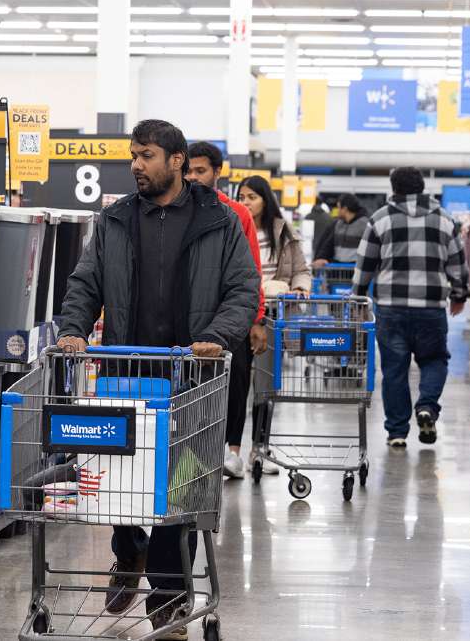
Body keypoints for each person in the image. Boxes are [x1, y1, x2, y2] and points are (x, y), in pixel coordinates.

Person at [58, 120, 259, 639]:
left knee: (180, 489)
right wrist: (74, 329)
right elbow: (86, 283)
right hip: (126, 371)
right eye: (133, 156)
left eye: (145, 155)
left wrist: (217, 336)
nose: (135, 165)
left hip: (192, 377)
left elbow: (243, 290)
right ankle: (129, 552)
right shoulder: (116, 219)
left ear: (176, 160)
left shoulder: (220, 221)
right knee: (118, 480)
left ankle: (168, 598)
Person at [354, 167, 467, 449]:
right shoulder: (445, 219)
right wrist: (459, 294)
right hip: (430, 308)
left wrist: (358, 297)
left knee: (394, 369)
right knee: (434, 360)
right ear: (422, 187)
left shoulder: (380, 219)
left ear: (394, 189)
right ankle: (426, 406)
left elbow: (365, 263)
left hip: (391, 308)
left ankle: (397, 432)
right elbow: (457, 263)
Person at [185, 142, 266, 479]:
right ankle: (194, 453)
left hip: (232, 317)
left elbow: (252, 270)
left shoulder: (236, 214)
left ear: (217, 172)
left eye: (200, 170)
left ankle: (233, 452)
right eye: (188, 170)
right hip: (191, 318)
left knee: (236, 382)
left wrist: (256, 319)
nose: (193, 177)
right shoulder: (175, 210)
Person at [236, 175, 313, 473]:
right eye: (242, 197)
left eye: (252, 197)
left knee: (265, 386)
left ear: (266, 200)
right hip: (240, 313)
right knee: (238, 384)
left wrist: (300, 287)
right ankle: (232, 452)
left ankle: (260, 449)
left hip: (274, 315)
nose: (246, 203)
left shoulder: (283, 232)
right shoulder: (235, 226)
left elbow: (301, 269)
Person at [313, 193, 370, 267]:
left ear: (345, 209)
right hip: (337, 269)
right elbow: (328, 244)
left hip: (355, 268)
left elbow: (370, 248)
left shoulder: (365, 224)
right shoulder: (337, 224)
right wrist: (321, 258)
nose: (337, 211)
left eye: (339, 207)